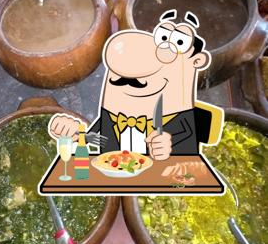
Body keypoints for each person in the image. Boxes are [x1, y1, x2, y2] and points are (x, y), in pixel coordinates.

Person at [49, 10, 223, 161]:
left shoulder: (186, 126)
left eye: (177, 43)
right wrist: (72, 134)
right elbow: (91, 144)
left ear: (197, 61)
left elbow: (191, 172)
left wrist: (170, 153)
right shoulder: (112, 118)